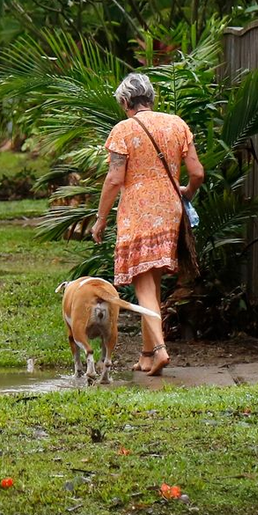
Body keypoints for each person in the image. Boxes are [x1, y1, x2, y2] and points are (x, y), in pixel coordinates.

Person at [91, 73, 204, 376]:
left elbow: (115, 179)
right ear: (151, 98)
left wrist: (100, 219)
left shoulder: (123, 130)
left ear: (126, 101)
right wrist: (186, 194)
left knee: (142, 284)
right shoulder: (176, 124)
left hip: (138, 212)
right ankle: (145, 355)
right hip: (169, 208)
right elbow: (197, 172)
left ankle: (160, 350)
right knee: (152, 282)